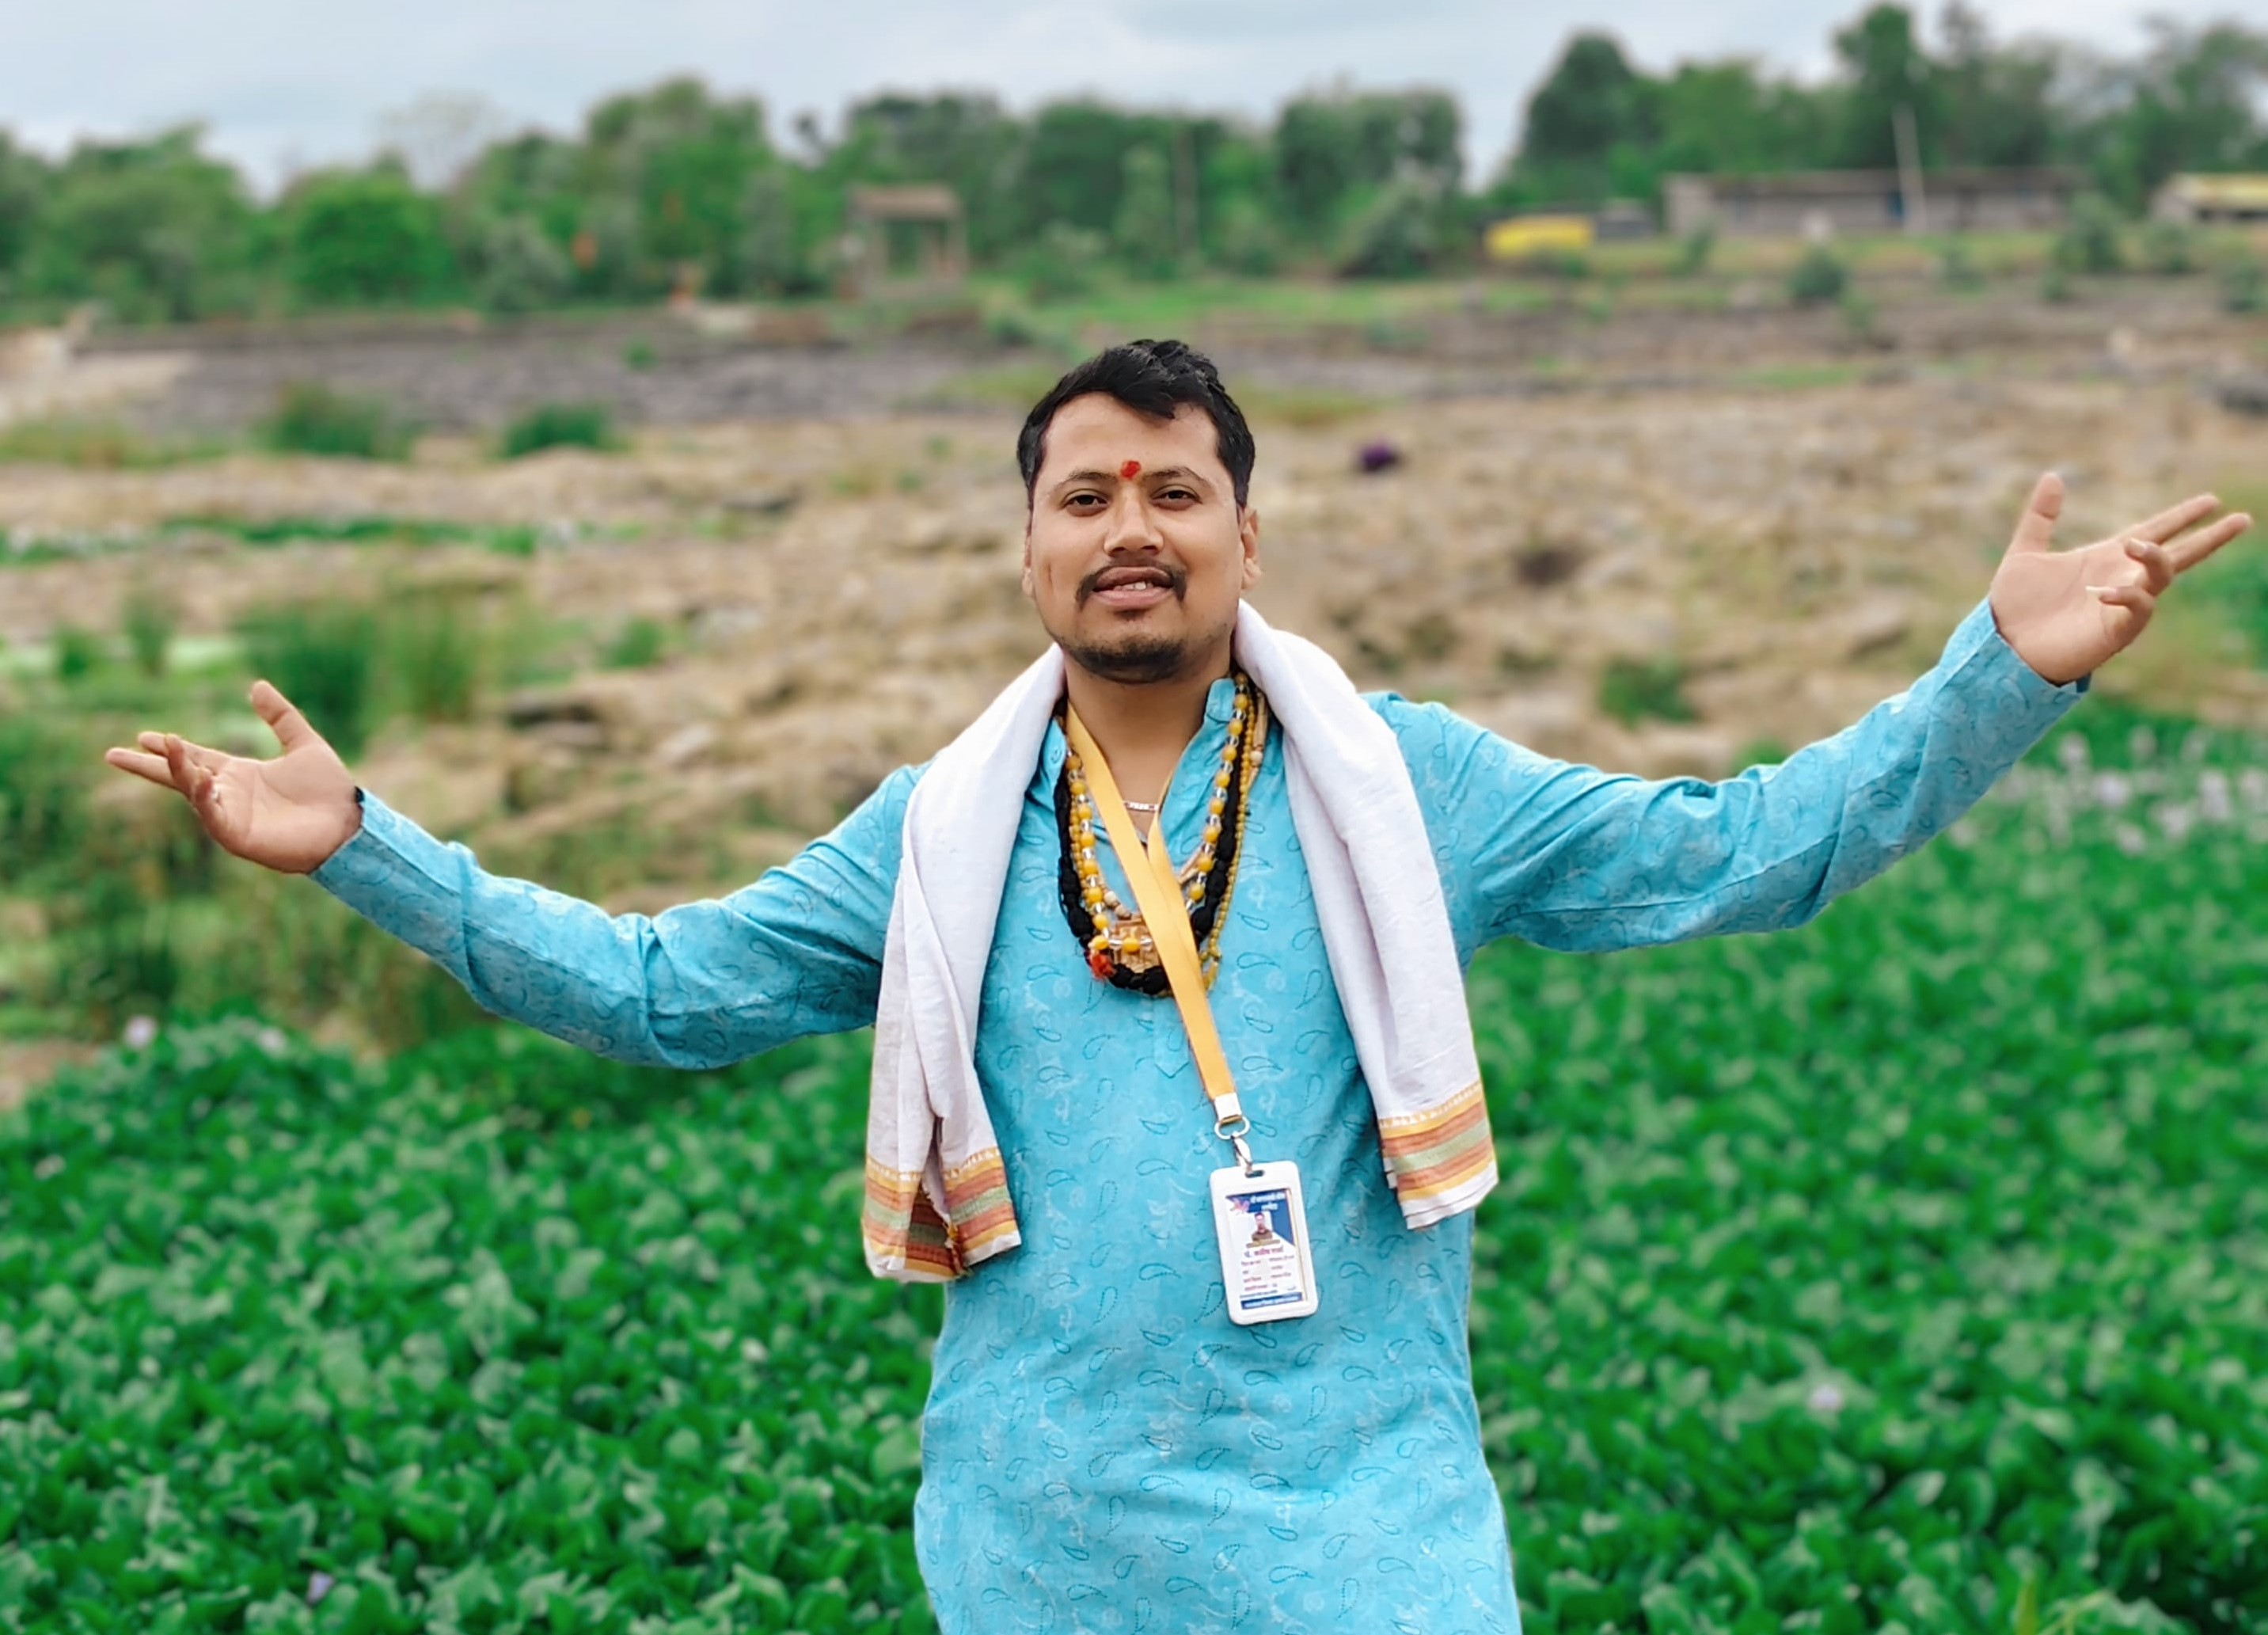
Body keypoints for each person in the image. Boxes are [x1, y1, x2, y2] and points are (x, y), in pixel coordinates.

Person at [105, 340, 2251, 1633]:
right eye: (1084, 494)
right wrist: (371, 848)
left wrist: (1997, 676)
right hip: (1043, 1547)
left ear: (1244, 535)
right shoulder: (933, 836)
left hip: (1365, 1540)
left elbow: (1743, 851)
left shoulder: (1407, 784)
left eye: (1175, 490)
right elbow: (660, 991)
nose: (1129, 525)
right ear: (1030, 547)